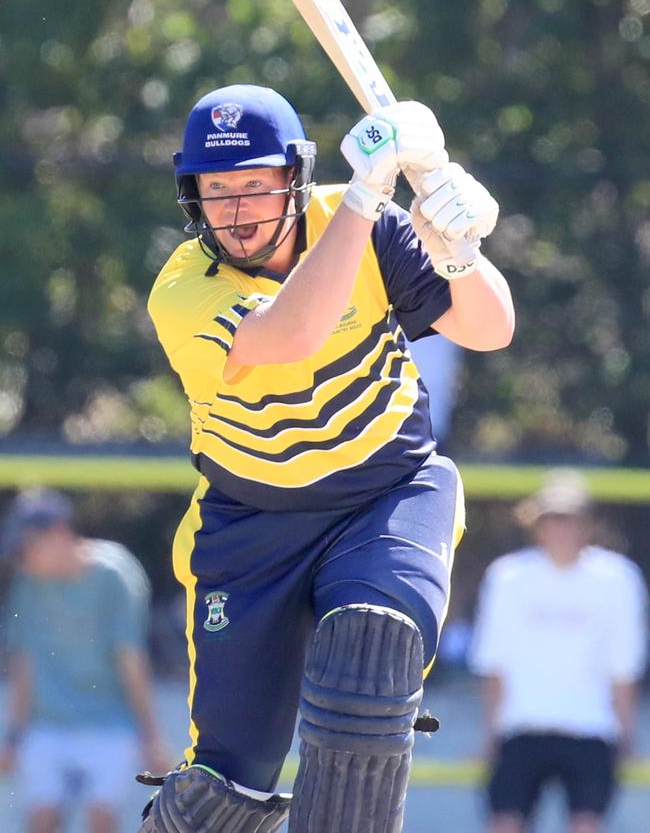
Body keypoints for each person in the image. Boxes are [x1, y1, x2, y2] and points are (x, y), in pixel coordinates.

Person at [144, 83, 515, 832]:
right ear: (194, 197)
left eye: (255, 184)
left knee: (367, 678)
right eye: (219, 192)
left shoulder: (365, 222)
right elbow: (289, 336)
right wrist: (367, 199)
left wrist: (458, 252)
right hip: (252, 526)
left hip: (388, 491)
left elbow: (492, 327)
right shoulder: (183, 288)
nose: (239, 210)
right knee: (220, 798)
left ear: (294, 177)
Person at [469, 471, 649, 833]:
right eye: (551, 518)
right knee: (504, 824)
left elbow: (623, 667)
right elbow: (494, 663)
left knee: (585, 826)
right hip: (520, 727)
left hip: (591, 729)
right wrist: (489, 735)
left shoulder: (618, 580)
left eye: (568, 518)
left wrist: (627, 736)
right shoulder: (507, 577)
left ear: (587, 524)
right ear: (536, 523)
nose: (560, 528)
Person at [0, 488, 170, 833]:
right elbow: (24, 663)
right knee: (42, 819)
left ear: (59, 533)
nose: (22, 559)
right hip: (45, 724)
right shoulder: (27, 583)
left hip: (110, 723)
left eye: (27, 548)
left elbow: (130, 658)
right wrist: (14, 737)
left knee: (101, 819)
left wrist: (150, 736)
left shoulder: (115, 573)